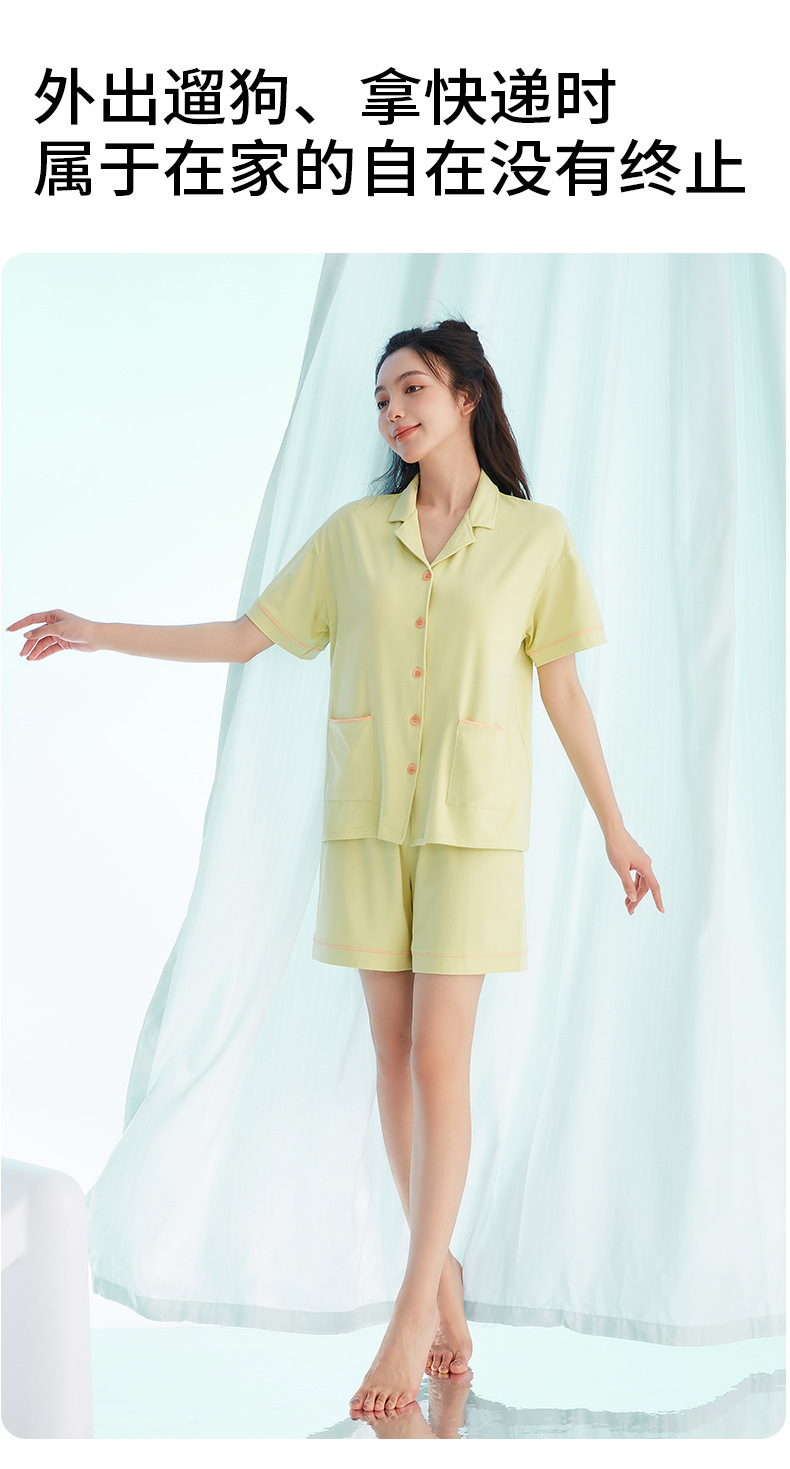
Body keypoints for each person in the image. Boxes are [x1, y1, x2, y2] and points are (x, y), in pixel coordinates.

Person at [8, 317, 664, 1419]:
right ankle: (444, 1280)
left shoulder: (535, 537)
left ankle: (411, 1314)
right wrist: (100, 629)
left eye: (411, 389)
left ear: (466, 396)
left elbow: (561, 689)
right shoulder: (356, 535)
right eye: (381, 399)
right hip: (367, 826)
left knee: (441, 1060)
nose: (392, 411)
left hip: (471, 828)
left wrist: (617, 827)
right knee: (392, 1059)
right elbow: (247, 635)